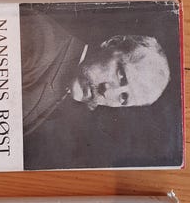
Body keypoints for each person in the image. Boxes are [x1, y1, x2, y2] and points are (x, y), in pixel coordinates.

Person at [20, 10, 170, 136]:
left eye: (123, 97)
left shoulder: (60, 97)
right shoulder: (40, 42)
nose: (107, 91)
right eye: (121, 75)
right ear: (112, 43)